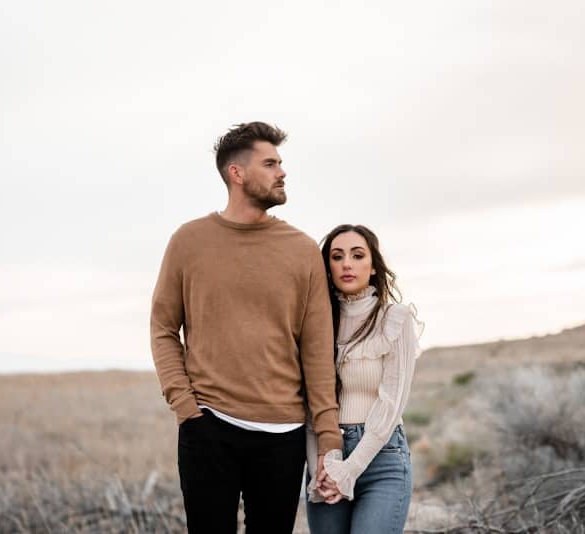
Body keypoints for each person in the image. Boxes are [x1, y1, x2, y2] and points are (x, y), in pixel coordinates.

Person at [150, 122, 343, 534]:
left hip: (283, 434)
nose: (282, 172)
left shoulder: (302, 249)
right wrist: (186, 408)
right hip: (208, 426)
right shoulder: (189, 241)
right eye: (270, 163)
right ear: (237, 174)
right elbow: (163, 328)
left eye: (281, 163)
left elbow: (317, 347)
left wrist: (328, 437)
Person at [306, 224, 424, 534]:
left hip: (381, 458)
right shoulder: (315, 325)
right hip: (326, 456)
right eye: (337, 256)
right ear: (326, 267)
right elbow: (309, 404)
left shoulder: (394, 319)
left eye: (357, 255)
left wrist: (350, 470)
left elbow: (391, 405)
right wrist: (322, 469)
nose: (347, 263)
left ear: (373, 267)